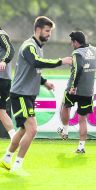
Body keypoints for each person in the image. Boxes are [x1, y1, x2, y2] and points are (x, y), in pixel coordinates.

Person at [0, 16, 72, 172]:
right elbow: (36, 62)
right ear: (38, 29)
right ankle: (18, 165)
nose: (49, 34)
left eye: (50, 32)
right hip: (21, 94)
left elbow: (33, 69)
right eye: (47, 31)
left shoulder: (37, 47)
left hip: (28, 94)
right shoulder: (29, 46)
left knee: (24, 130)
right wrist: (61, 61)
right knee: (32, 129)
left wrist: (44, 81)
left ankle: (6, 158)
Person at [57, 31, 96, 153]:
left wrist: (73, 86)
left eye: (72, 42)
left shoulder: (77, 53)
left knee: (65, 105)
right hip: (88, 90)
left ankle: (65, 130)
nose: (71, 45)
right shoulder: (95, 50)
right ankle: (81, 146)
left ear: (76, 42)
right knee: (82, 119)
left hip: (74, 89)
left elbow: (79, 68)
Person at [0, 27, 15, 140]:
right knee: (1, 112)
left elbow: (10, 49)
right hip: (4, 79)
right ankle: (14, 138)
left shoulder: (1, 34)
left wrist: (4, 60)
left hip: (2, 78)